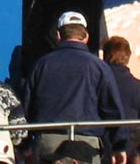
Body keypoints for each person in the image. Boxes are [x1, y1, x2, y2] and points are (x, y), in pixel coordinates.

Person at [23, 11, 126, 164]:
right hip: (87, 145)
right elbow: (112, 109)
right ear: (86, 37)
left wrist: (25, 144)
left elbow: (27, 106)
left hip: (48, 143)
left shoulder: (42, 64)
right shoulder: (99, 66)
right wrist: (119, 146)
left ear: (58, 35)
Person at [102, 36, 140, 121]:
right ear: (128, 57)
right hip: (130, 129)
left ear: (104, 55)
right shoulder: (137, 87)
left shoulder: (95, 82)